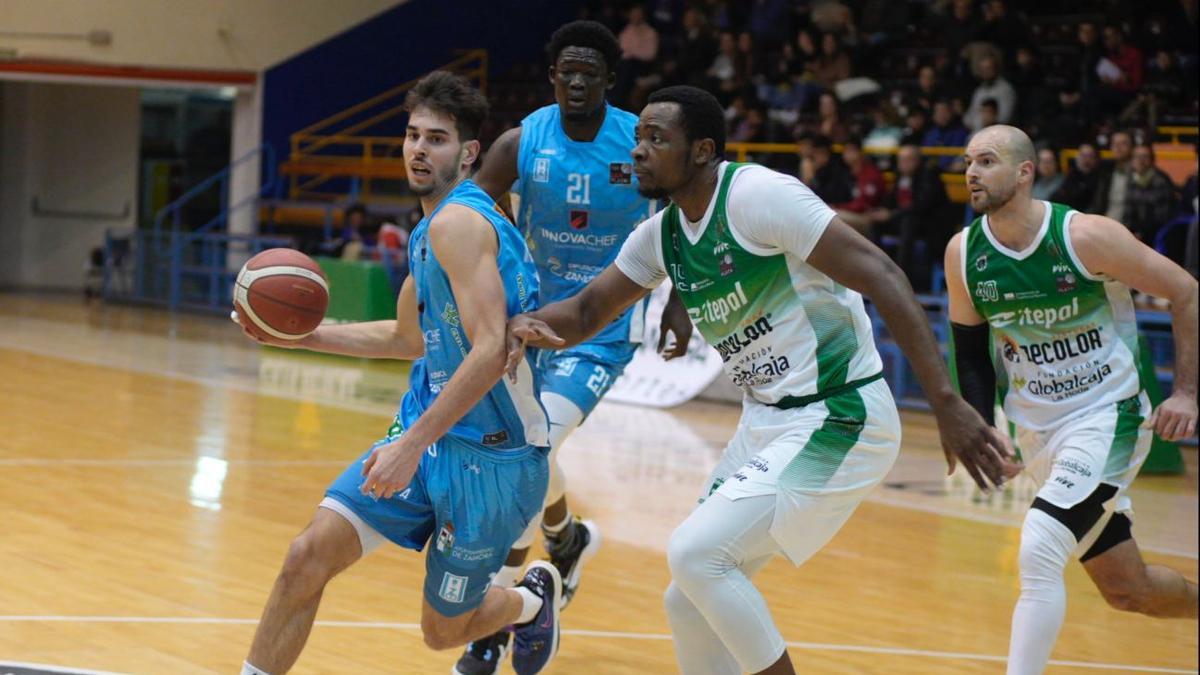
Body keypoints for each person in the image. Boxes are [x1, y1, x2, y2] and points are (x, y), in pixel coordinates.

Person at [506, 85, 1011, 675]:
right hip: (766, 419)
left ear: (702, 151)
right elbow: (588, 311)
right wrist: (511, 326)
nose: (638, 150)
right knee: (687, 596)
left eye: (656, 138)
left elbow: (884, 274)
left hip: (839, 412)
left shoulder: (758, 195)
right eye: (638, 137)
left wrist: (946, 401)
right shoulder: (661, 235)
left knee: (696, 557)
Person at [236, 72, 564, 675]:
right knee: (305, 557)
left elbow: (491, 350)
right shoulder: (428, 229)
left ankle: (529, 599)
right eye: (412, 134)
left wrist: (411, 445)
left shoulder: (457, 224)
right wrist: (297, 333)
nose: (418, 149)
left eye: (436, 139)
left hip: (494, 461)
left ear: (467, 153)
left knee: (442, 634)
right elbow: (404, 338)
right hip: (431, 433)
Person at [466, 20, 693, 675]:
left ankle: (495, 621)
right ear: (552, 76)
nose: (575, 81)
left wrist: (677, 295)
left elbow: (683, 208)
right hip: (530, 321)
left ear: (609, 81)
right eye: (565, 70)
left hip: (602, 329)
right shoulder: (523, 139)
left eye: (588, 72)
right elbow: (471, 210)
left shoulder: (639, 141)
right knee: (531, 442)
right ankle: (564, 539)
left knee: (529, 448)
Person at [946, 125, 1199, 675]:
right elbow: (969, 350)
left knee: (1038, 547)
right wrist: (984, 430)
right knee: (1128, 591)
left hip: (1107, 415)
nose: (971, 172)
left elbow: (1185, 290)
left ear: (1024, 172)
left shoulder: (1085, 237)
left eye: (986, 161)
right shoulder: (964, 254)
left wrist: (1185, 392)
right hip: (1040, 433)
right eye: (968, 162)